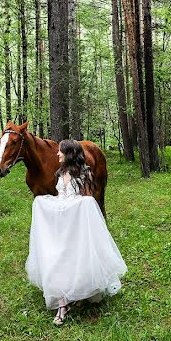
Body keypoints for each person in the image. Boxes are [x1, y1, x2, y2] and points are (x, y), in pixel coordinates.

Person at [25, 139, 127, 325]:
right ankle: (62, 301)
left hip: (76, 221)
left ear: (70, 153)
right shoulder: (60, 172)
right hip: (62, 218)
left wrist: (70, 209)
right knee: (57, 255)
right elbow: (60, 195)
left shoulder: (84, 172)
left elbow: (86, 200)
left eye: (61, 152)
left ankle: (73, 296)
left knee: (75, 256)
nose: (57, 154)